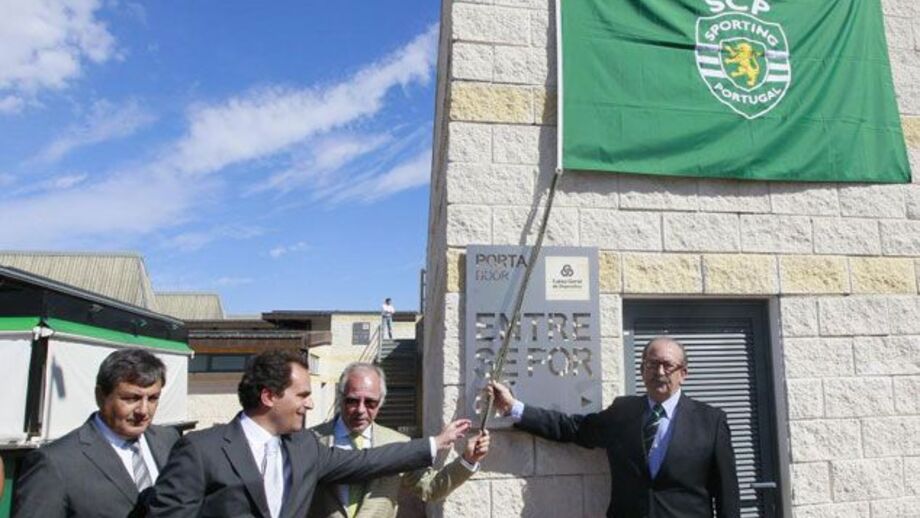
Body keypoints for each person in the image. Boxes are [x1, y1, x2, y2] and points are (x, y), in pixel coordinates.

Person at [150, 350, 471, 518]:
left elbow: (366, 461)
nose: (311, 403)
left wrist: (434, 444)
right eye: (302, 395)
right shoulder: (199, 450)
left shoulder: (304, 447)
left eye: (371, 402)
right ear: (269, 396)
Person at [488, 336, 740, 518]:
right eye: (652, 364)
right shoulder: (623, 412)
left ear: (683, 373)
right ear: (642, 370)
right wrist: (514, 408)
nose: (659, 372)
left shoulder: (711, 421)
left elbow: (727, 495)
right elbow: (574, 428)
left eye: (667, 365)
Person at [13, 348, 180, 518]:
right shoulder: (54, 463)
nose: (143, 410)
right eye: (131, 398)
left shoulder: (170, 440)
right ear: (100, 396)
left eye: (153, 398)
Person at [308, 363, 490, 518]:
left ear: (380, 403)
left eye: (370, 403)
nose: (361, 410)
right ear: (340, 398)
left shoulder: (397, 443)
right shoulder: (311, 441)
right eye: (353, 401)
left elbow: (431, 488)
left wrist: (468, 459)